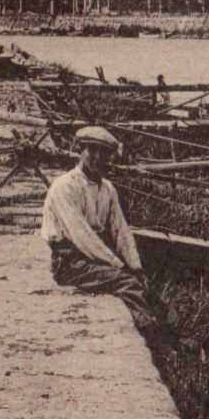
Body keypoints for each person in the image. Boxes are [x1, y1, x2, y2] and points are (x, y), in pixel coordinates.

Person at [40, 126, 160, 333]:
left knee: (144, 284)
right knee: (127, 283)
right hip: (70, 263)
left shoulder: (107, 189)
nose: (97, 158)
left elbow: (120, 231)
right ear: (80, 150)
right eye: (91, 150)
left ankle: (166, 332)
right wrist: (119, 266)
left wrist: (137, 267)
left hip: (94, 259)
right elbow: (82, 236)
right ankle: (152, 334)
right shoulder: (64, 187)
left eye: (103, 153)